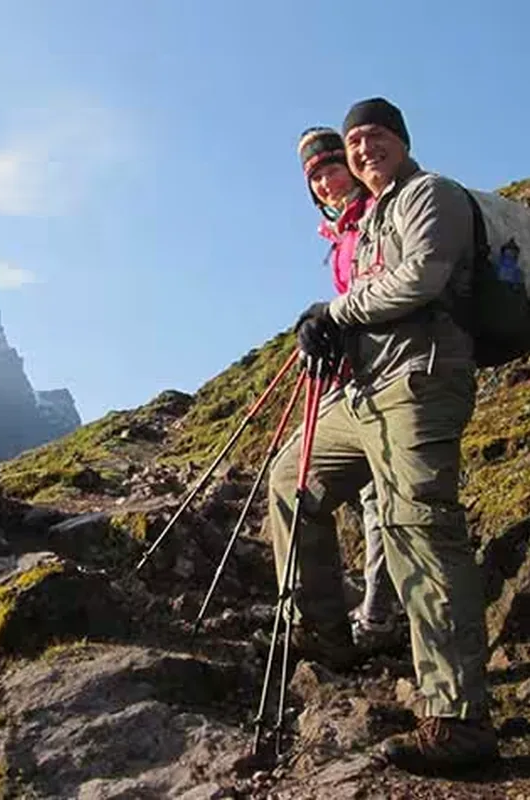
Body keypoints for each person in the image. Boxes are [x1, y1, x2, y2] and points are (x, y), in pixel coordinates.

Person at [269, 97, 498, 773]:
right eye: (354, 141)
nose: (363, 150)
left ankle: (458, 720)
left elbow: (422, 277)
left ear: (399, 140)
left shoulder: (432, 194)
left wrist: (332, 310)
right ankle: (327, 634)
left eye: (374, 137)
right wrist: (330, 336)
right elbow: (367, 304)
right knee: (290, 478)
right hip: (364, 394)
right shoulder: (362, 227)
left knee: (418, 525)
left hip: (422, 384)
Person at [296, 127, 398, 650]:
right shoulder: (340, 232)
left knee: (379, 498)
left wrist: (330, 320)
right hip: (354, 374)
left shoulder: (376, 216)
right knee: (366, 496)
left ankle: (378, 616)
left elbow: (375, 292)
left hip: (389, 375)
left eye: (331, 169)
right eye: (314, 178)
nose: (324, 183)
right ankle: (372, 606)